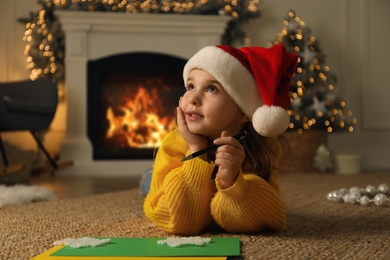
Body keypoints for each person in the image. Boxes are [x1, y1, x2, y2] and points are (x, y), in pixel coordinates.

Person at [143, 44, 298, 235]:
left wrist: (233, 182)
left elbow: (268, 220)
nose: (193, 98)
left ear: (243, 112)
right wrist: (196, 152)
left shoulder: (265, 146)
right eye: (190, 86)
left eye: (211, 89)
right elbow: (178, 223)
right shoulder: (173, 144)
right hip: (172, 171)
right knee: (150, 183)